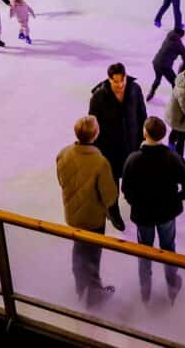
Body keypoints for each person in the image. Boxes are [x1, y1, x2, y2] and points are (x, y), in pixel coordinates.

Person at [121, 116, 185, 303]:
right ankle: (172, 285)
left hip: (143, 214)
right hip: (166, 212)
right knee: (168, 247)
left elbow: (126, 189)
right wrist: (177, 198)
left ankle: (145, 291)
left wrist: (136, 202)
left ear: (144, 133)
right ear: (163, 134)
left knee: (144, 252)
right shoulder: (171, 157)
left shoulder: (133, 159)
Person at [56, 116, 120, 306]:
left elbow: (61, 180)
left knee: (79, 250)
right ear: (95, 134)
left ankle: (80, 286)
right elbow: (109, 196)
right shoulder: (100, 162)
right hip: (93, 218)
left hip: (73, 214)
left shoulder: (64, 153)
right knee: (92, 255)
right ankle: (94, 296)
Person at [88, 62, 146, 230]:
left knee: (133, 179)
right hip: (110, 149)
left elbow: (142, 114)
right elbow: (93, 125)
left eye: (122, 80)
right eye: (115, 82)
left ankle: (136, 204)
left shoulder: (135, 89)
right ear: (109, 79)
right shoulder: (98, 97)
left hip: (132, 144)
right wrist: (97, 151)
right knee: (113, 185)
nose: (120, 85)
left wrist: (142, 139)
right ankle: (113, 211)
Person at [147, 28, 185, 101]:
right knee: (175, 83)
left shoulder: (169, 38)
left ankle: (151, 93)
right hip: (165, 66)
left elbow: (181, 50)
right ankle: (176, 101)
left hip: (156, 62)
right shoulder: (177, 43)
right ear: (180, 36)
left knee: (157, 79)